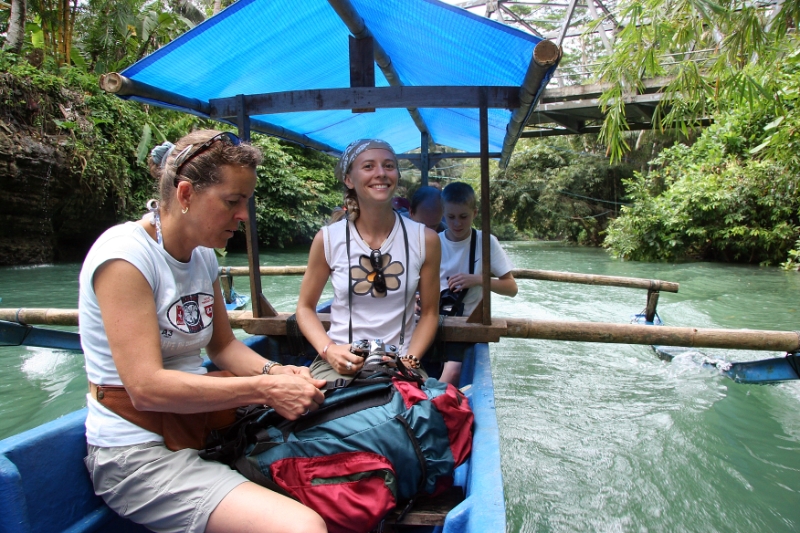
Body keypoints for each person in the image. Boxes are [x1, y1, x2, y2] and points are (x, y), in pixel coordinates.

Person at [79, 130, 328, 533]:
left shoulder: (203, 256)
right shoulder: (124, 257)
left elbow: (225, 347)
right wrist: (264, 390)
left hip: (205, 426)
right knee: (303, 528)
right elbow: (146, 388)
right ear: (185, 194)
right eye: (233, 201)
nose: (244, 215)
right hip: (138, 451)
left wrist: (276, 373)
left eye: (245, 201)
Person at [296, 139, 441, 381]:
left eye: (388, 165)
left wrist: (410, 360)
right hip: (339, 363)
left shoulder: (425, 240)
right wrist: (329, 351)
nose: (381, 173)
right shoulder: (328, 239)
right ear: (349, 179)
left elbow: (429, 313)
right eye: (368, 167)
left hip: (401, 363)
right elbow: (304, 308)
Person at [438, 182, 518, 385]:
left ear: (474, 213)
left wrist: (477, 280)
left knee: (454, 372)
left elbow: (511, 288)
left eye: (463, 217)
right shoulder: (434, 242)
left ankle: (431, 403)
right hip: (434, 319)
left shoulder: (486, 242)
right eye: (451, 217)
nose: (457, 224)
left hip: (468, 323)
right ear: (443, 214)